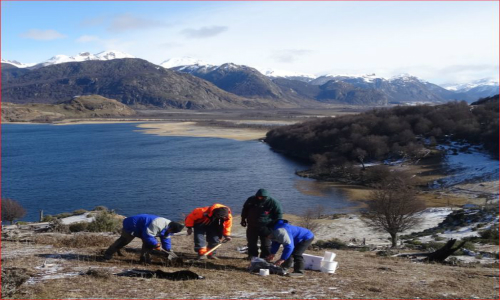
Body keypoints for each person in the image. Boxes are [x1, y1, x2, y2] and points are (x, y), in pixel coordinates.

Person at [103, 214, 184, 263]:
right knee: (124, 241)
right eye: (171, 231)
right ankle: (108, 254)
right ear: (170, 228)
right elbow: (148, 236)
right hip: (132, 225)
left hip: (144, 228)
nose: (170, 232)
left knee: (149, 243)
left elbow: (166, 239)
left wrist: (168, 250)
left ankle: (144, 259)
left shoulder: (169, 228)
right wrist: (156, 244)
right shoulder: (157, 224)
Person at [241, 189, 283, 259]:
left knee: (266, 243)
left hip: (266, 226)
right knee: (251, 242)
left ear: (266, 197)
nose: (260, 198)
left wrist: (276, 226)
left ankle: (265, 257)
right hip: (252, 225)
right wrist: (243, 219)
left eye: (262, 197)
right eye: (259, 196)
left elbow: (278, 214)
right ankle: (252, 256)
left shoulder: (273, 202)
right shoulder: (251, 199)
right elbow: (245, 209)